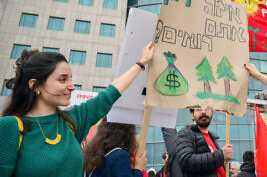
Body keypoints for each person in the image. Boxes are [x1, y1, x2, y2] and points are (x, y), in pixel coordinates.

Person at [0, 43, 154, 176]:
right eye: (62, 79)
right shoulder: (9, 127)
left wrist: (142, 62)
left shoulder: (71, 122)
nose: (71, 86)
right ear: (35, 85)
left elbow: (110, 93)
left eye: (70, 79)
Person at [175, 108, 233, 177]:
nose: (203, 112)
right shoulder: (185, 133)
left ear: (212, 113)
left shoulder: (212, 138)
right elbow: (186, 161)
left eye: (207, 108)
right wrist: (221, 155)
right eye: (198, 109)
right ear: (192, 115)